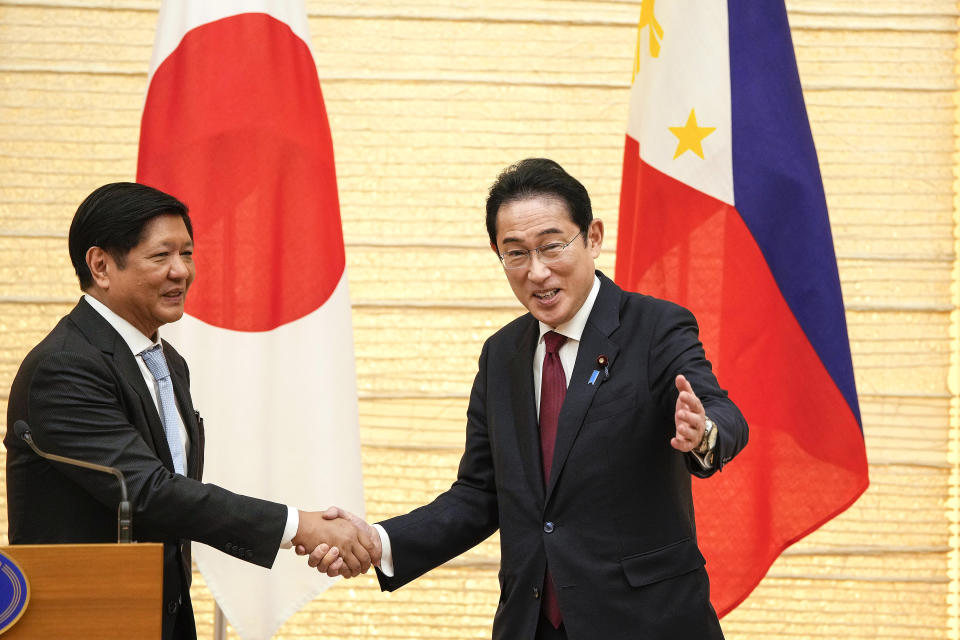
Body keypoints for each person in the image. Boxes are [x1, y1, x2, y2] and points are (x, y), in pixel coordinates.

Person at [310, 158, 749, 639]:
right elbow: (478, 495)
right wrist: (380, 541)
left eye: (551, 246)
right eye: (515, 253)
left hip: (646, 621)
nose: (536, 272)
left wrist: (703, 432)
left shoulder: (654, 327)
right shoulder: (502, 355)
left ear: (594, 237)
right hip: (532, 623)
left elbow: (723, 412)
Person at [4, 182, 375, 640]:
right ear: (100, 265)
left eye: (188, 253)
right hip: (86, 617)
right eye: (161, 256)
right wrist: (298, 526)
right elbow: (149, 492)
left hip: (160, 616)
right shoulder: (65, 366)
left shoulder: (166, 362)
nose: (181, 271)